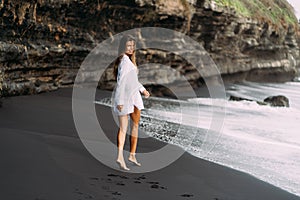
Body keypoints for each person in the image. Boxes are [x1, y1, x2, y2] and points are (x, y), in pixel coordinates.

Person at [113, 34, 150, 170]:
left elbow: (133, 81)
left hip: (134, 97)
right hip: (125, 98)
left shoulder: (129, 61)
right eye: (128, 46)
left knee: (135, 127)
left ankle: (132, 155)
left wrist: (143, 90)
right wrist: (120, 101)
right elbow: (121, 83)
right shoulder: (124, 61)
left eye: (133, 46)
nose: (131, 48)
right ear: (123, 46)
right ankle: (120, 157)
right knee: (123, 128)